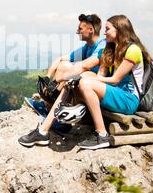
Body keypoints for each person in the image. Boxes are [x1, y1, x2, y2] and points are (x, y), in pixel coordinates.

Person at [19, 14, 152, 150]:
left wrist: (83, 78)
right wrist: (74, 79)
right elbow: (101, 75)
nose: (104, 33)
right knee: (73, 82)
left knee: (82, 81)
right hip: (113, 94)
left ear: (119, 30)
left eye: (107, 29)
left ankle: (102, 135)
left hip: (128, 99)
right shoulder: (109, 49)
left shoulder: (133, 50)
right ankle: (43, 131)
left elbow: (115, 79)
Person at [20, 13, 106, 144]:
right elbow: (60, 59)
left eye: (80, 28)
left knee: (73, 72)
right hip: (86, 86)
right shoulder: (87, 47)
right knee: (65, 65)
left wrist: (58, 80)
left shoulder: (102, 45)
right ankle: (50, 108)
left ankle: (51, 112)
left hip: (98, 89)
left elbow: (86, 65)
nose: (77, 31)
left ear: (91, 29)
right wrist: (48, 78)